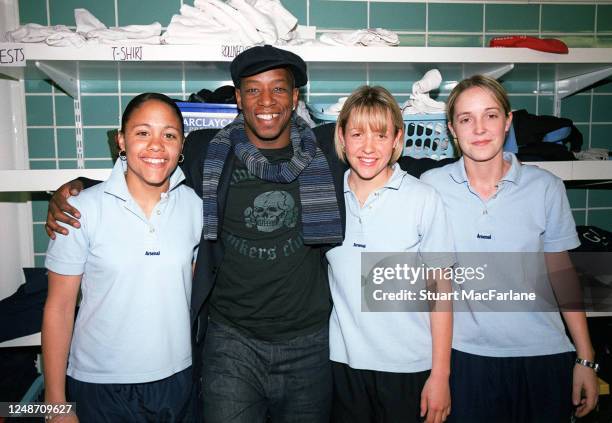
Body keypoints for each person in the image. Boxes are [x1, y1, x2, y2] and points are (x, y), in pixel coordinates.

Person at [43, 45, 452, 422]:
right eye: (253, 90)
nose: (267, 101)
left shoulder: (326, 148)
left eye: (279, 89)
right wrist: (77, 187)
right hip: (230, 344)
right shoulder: (208, 149)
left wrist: (475, 172)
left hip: (309, 344)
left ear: (295, 99)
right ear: (238, 98)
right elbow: (150, 167)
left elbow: (388, 157)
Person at [420, 75, 599, 422]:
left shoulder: (546, 187)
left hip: (544, 356)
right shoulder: (433, 187)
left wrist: (585, 357)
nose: (479, 128)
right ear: (452, 131)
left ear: (508, 122)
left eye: (490, 115)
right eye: (466, 119)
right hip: (466, 359)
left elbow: (562, 274)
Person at [42, 93, 202, 422]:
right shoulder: (80, 210)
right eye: (143, 132)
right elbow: (59, 308)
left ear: (181, 145)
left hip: (177, 380)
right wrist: (55, 402)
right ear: (121, 141)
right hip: (101, 386)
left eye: (169, 135)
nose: (157, 145)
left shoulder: (195, 208)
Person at [327, 85, 454, 423]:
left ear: (398, 139)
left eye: (381, 135)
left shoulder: (423, 199)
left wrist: (440, 376)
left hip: (409, 367)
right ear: (342, 136)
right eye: (357, 134)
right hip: (344, 366)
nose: (368, 148)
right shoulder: (324, 197)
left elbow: (441, 291)